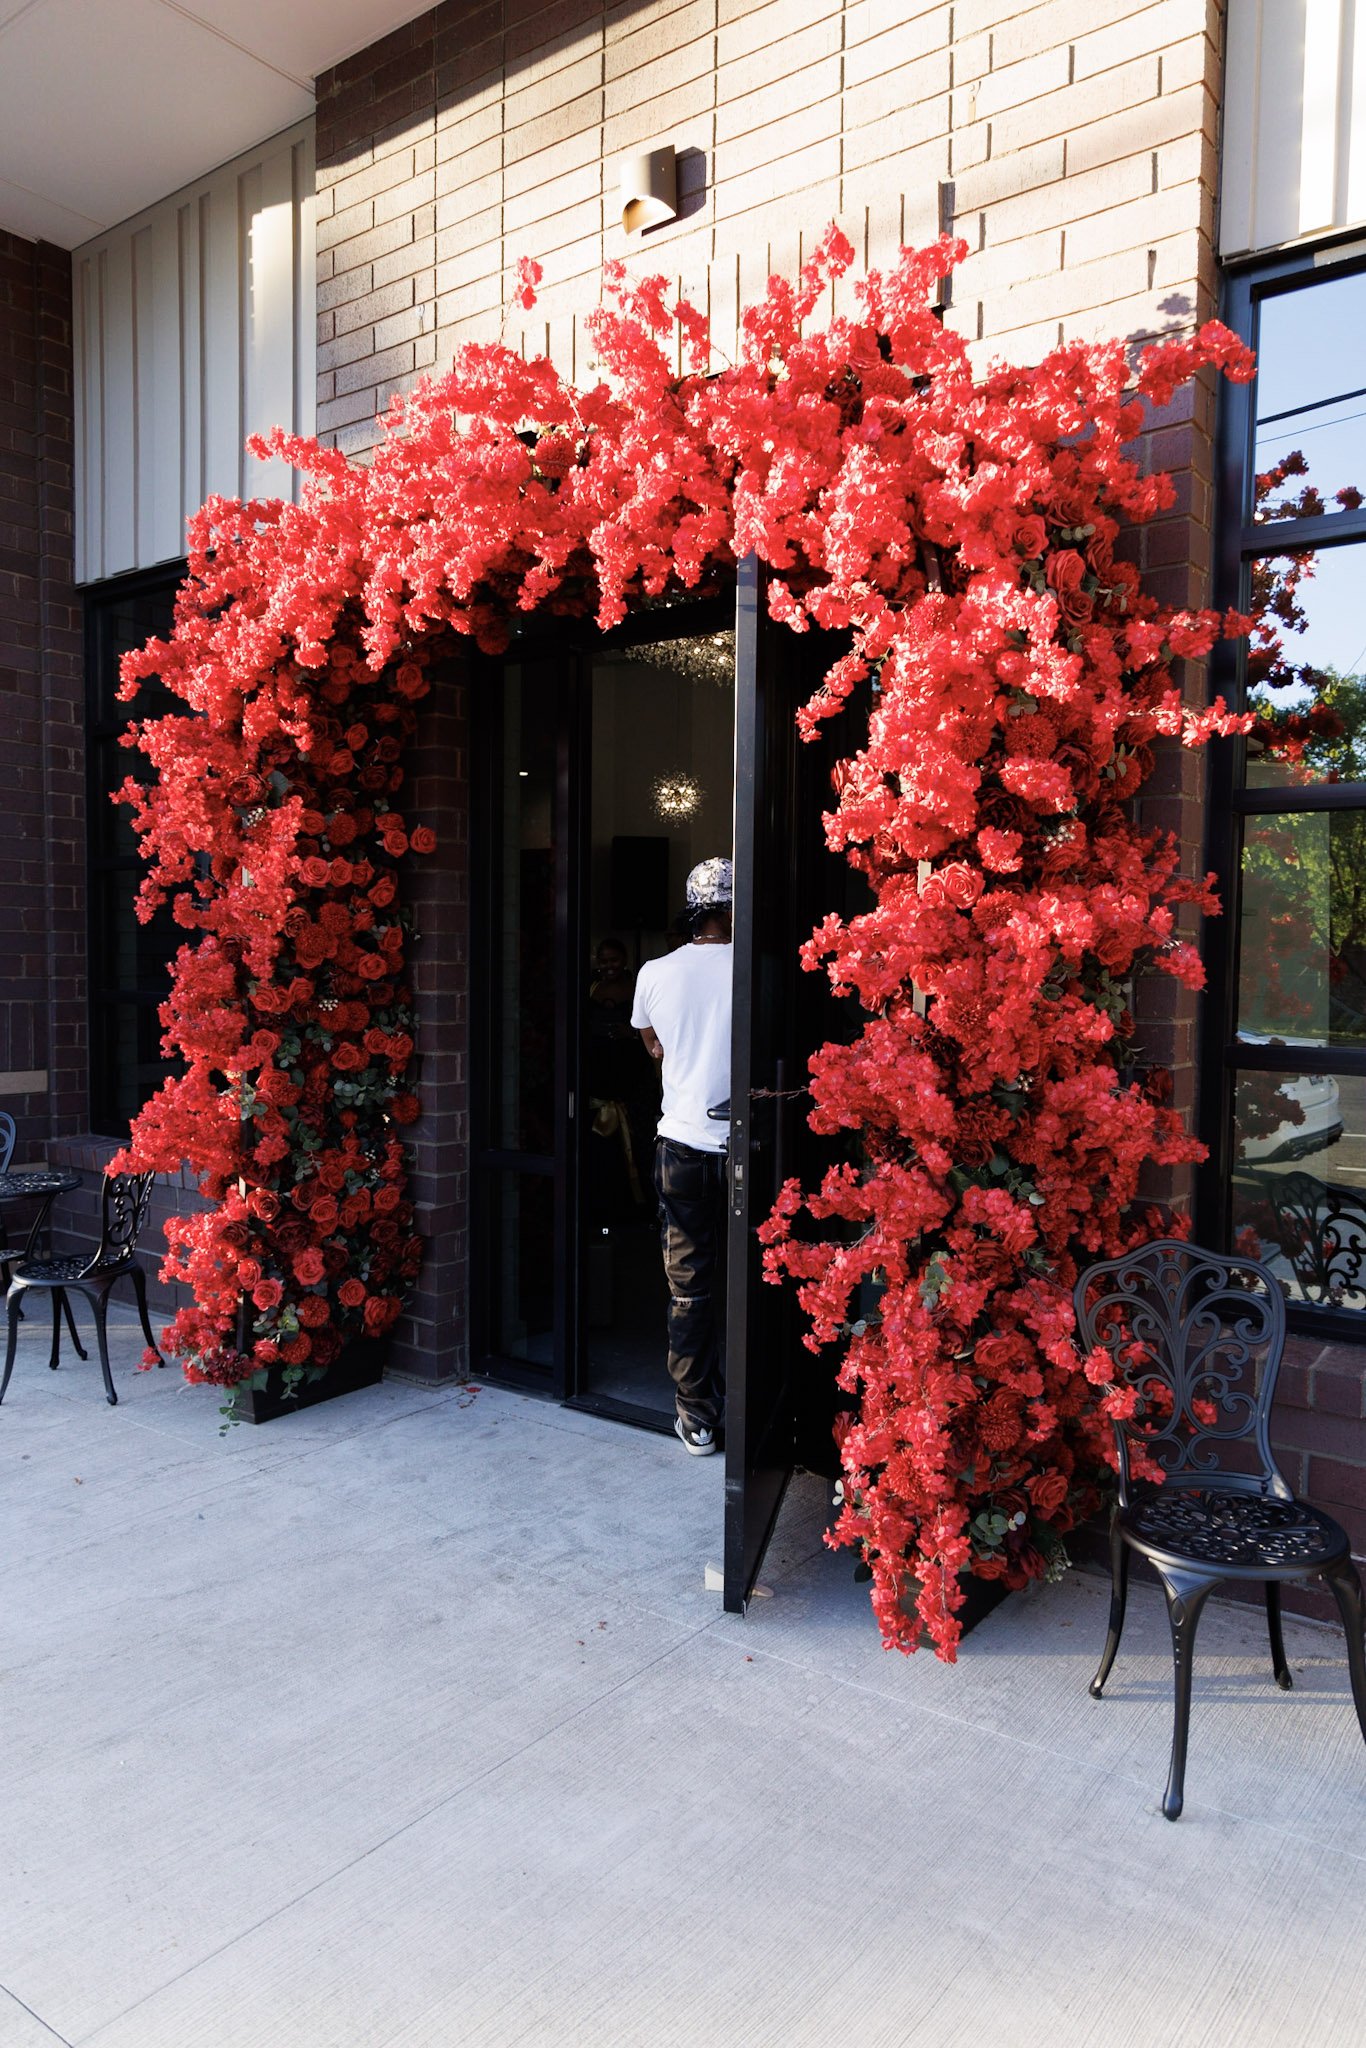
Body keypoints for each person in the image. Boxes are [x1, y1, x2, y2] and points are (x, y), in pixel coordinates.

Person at [631, 856, 733, 1455]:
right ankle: (750, 1411)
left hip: (681, 1146)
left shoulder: (654, 972)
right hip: (744, 1149)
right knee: (755, 1278)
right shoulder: (754, 969)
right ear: (734, 910)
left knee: (690, 1289)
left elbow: (653, 1045)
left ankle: (697, 1417)